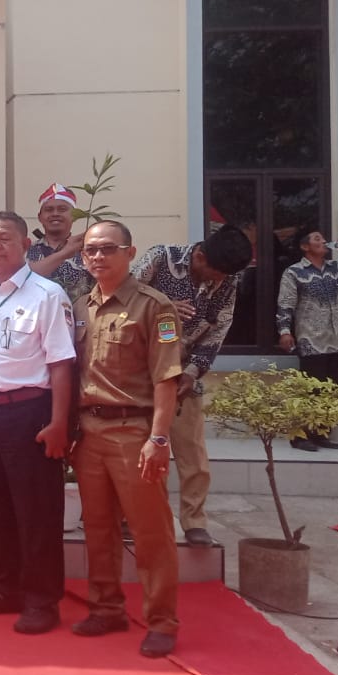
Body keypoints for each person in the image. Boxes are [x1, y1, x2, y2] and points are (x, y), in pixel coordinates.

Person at [0, 212, 75, 630]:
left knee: (36, 510)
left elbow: (61, 364)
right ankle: (3, 586)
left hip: (29, 412)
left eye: (4, 239)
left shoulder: (47, 294)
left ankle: (42, 599)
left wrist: (59, 422)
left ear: (26, 245)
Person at [71, 219, 182, 659]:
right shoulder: (81, 306)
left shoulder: (155, 307)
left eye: (108, 249)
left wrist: (159, 438)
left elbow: (166, 379)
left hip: (135, 432)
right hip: (90, 433)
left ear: (130, 253)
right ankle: (106, 607)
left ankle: (162, 620)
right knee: (98, 529)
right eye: (91, 251)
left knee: (150, 532)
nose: (98, 257)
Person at [131, 224, 253, 544]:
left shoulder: (228, 281)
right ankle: (136, 519)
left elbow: (218, 331)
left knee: (193, 457)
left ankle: (195, 522)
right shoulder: (160, 258)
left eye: (227, 276)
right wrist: (163, 303)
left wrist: (192, 373)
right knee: (138, 453)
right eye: (216, 273)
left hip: (184, 378)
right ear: (199, 256)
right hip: (139, 375)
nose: (221, 281)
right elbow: (121, 296)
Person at [277, 227, 338, 450]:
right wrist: (284, 331)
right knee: (310, 389)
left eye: (323, 239)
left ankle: (320, 433)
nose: (324, 242)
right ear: (305, 246)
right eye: (318, 239)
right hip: (311, 340)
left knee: (332, 390)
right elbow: (285, 304)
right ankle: (299, 436)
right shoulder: (294, 272)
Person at [25, 183, 91, 305]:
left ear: (74, 216)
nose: (55, 214)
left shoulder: (88, 251)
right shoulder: (24, 252)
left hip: (80, 320)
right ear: (40, 217)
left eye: (62, 209)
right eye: (49, 210)